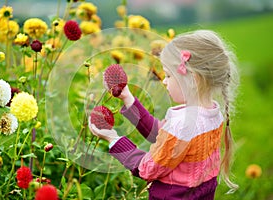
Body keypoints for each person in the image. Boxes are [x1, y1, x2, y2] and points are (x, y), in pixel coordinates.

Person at [89, 30, 239, 199]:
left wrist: (114, 139)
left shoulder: (183, 124)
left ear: (193, 79)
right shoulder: (213, 115)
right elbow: (161, 136)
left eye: (168, 75)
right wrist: (128, 99)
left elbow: (147, 169)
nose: (164, 81)